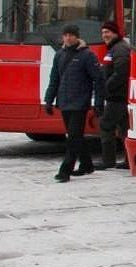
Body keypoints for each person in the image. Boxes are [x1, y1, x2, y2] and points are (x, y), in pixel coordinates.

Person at [44, 24, 105, 182]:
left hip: (80, 103)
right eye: (66, 35)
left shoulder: (87, 55)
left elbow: (98, 80)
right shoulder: (59, 55)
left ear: (77, 36)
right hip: (64, 101)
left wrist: (98, 103)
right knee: (75, 136)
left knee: (73, 137)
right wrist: (49, 100)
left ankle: (65, 170)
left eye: (71, 35)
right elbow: (54, 79)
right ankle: (87, 164)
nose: (68, 38)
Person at [98, 20, 131, 170]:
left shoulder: (120, 49)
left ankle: (108, 160)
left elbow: (121, 72)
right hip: (118, 96)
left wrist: (107, 86)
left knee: (106, 126)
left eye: (108, 32)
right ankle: (128, 160)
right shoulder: (115, 48)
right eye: (103, 32)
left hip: (117, 96)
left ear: (115, 33)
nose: (105, 35)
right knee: (124, 128)